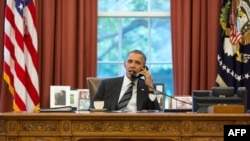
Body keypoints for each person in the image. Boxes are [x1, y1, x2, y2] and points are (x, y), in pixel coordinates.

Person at [91, 49, 160, 111]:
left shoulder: (147, 87)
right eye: (130, 61)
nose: (132, 65)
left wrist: (150, 88)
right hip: (111, 122)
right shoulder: (107, 84)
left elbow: (155, 113)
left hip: (137, 123)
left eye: (137, 63)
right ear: (125, 65)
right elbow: (92, 108)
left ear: (143, 68)